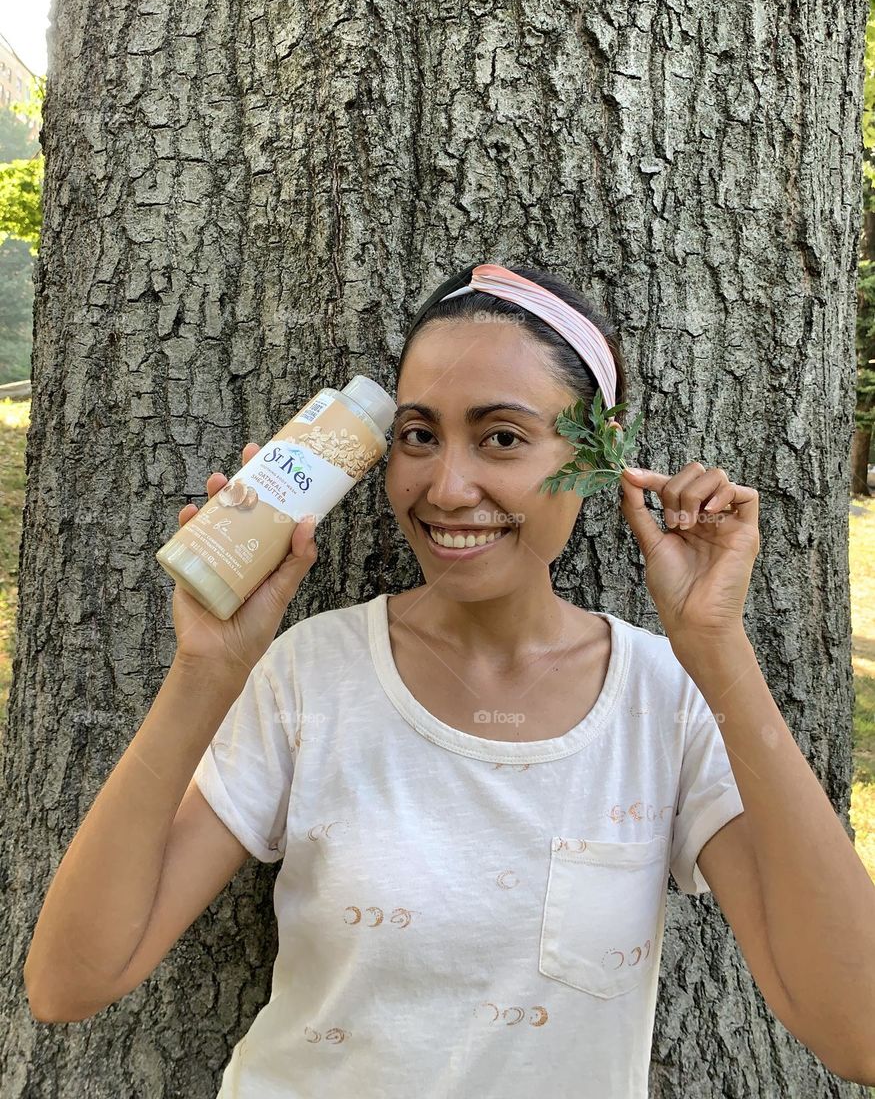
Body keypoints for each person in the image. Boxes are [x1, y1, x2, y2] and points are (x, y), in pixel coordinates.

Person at [24, 262, 872, 1096]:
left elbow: (857, 1034)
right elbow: (69, 984)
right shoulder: (313, 673)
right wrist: (205, 671)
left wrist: (716, 650)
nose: (446, 486)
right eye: (418, 436)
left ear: (597, 454)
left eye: (501, 437)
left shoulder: (665, 699)